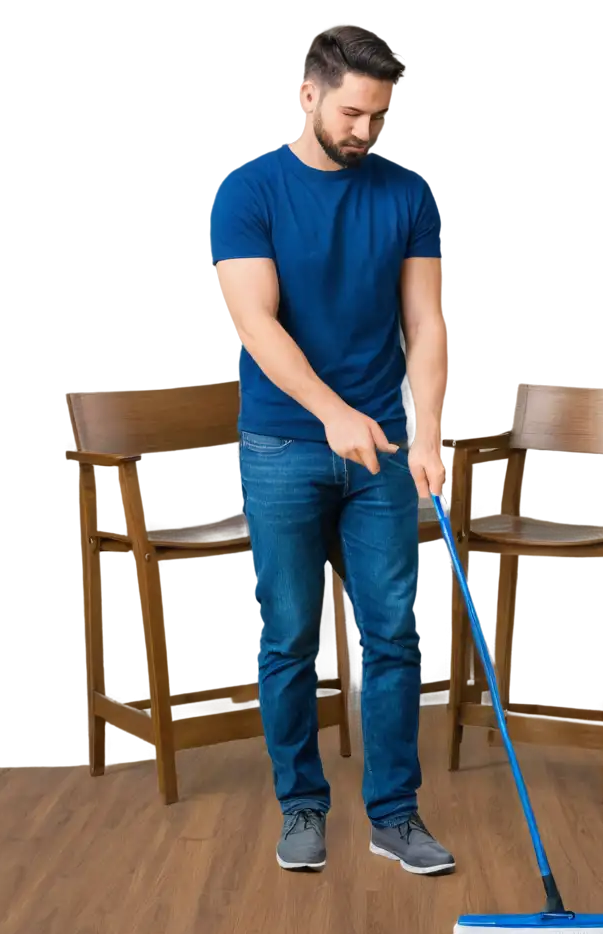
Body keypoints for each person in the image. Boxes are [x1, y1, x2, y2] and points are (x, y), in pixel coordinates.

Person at [206, 23, 454, 876]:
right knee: (289, 636)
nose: (365, 132)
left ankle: (395, 815)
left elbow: (424, 324)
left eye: (379, 118)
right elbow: (253, 320)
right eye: (352, 112)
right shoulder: (247, 190)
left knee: (392, 636)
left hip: (381, 448)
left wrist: (429, 430)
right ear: (305, 94)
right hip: (283, 446)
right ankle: (303, 808)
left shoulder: (406, 192)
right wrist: (331, 413)